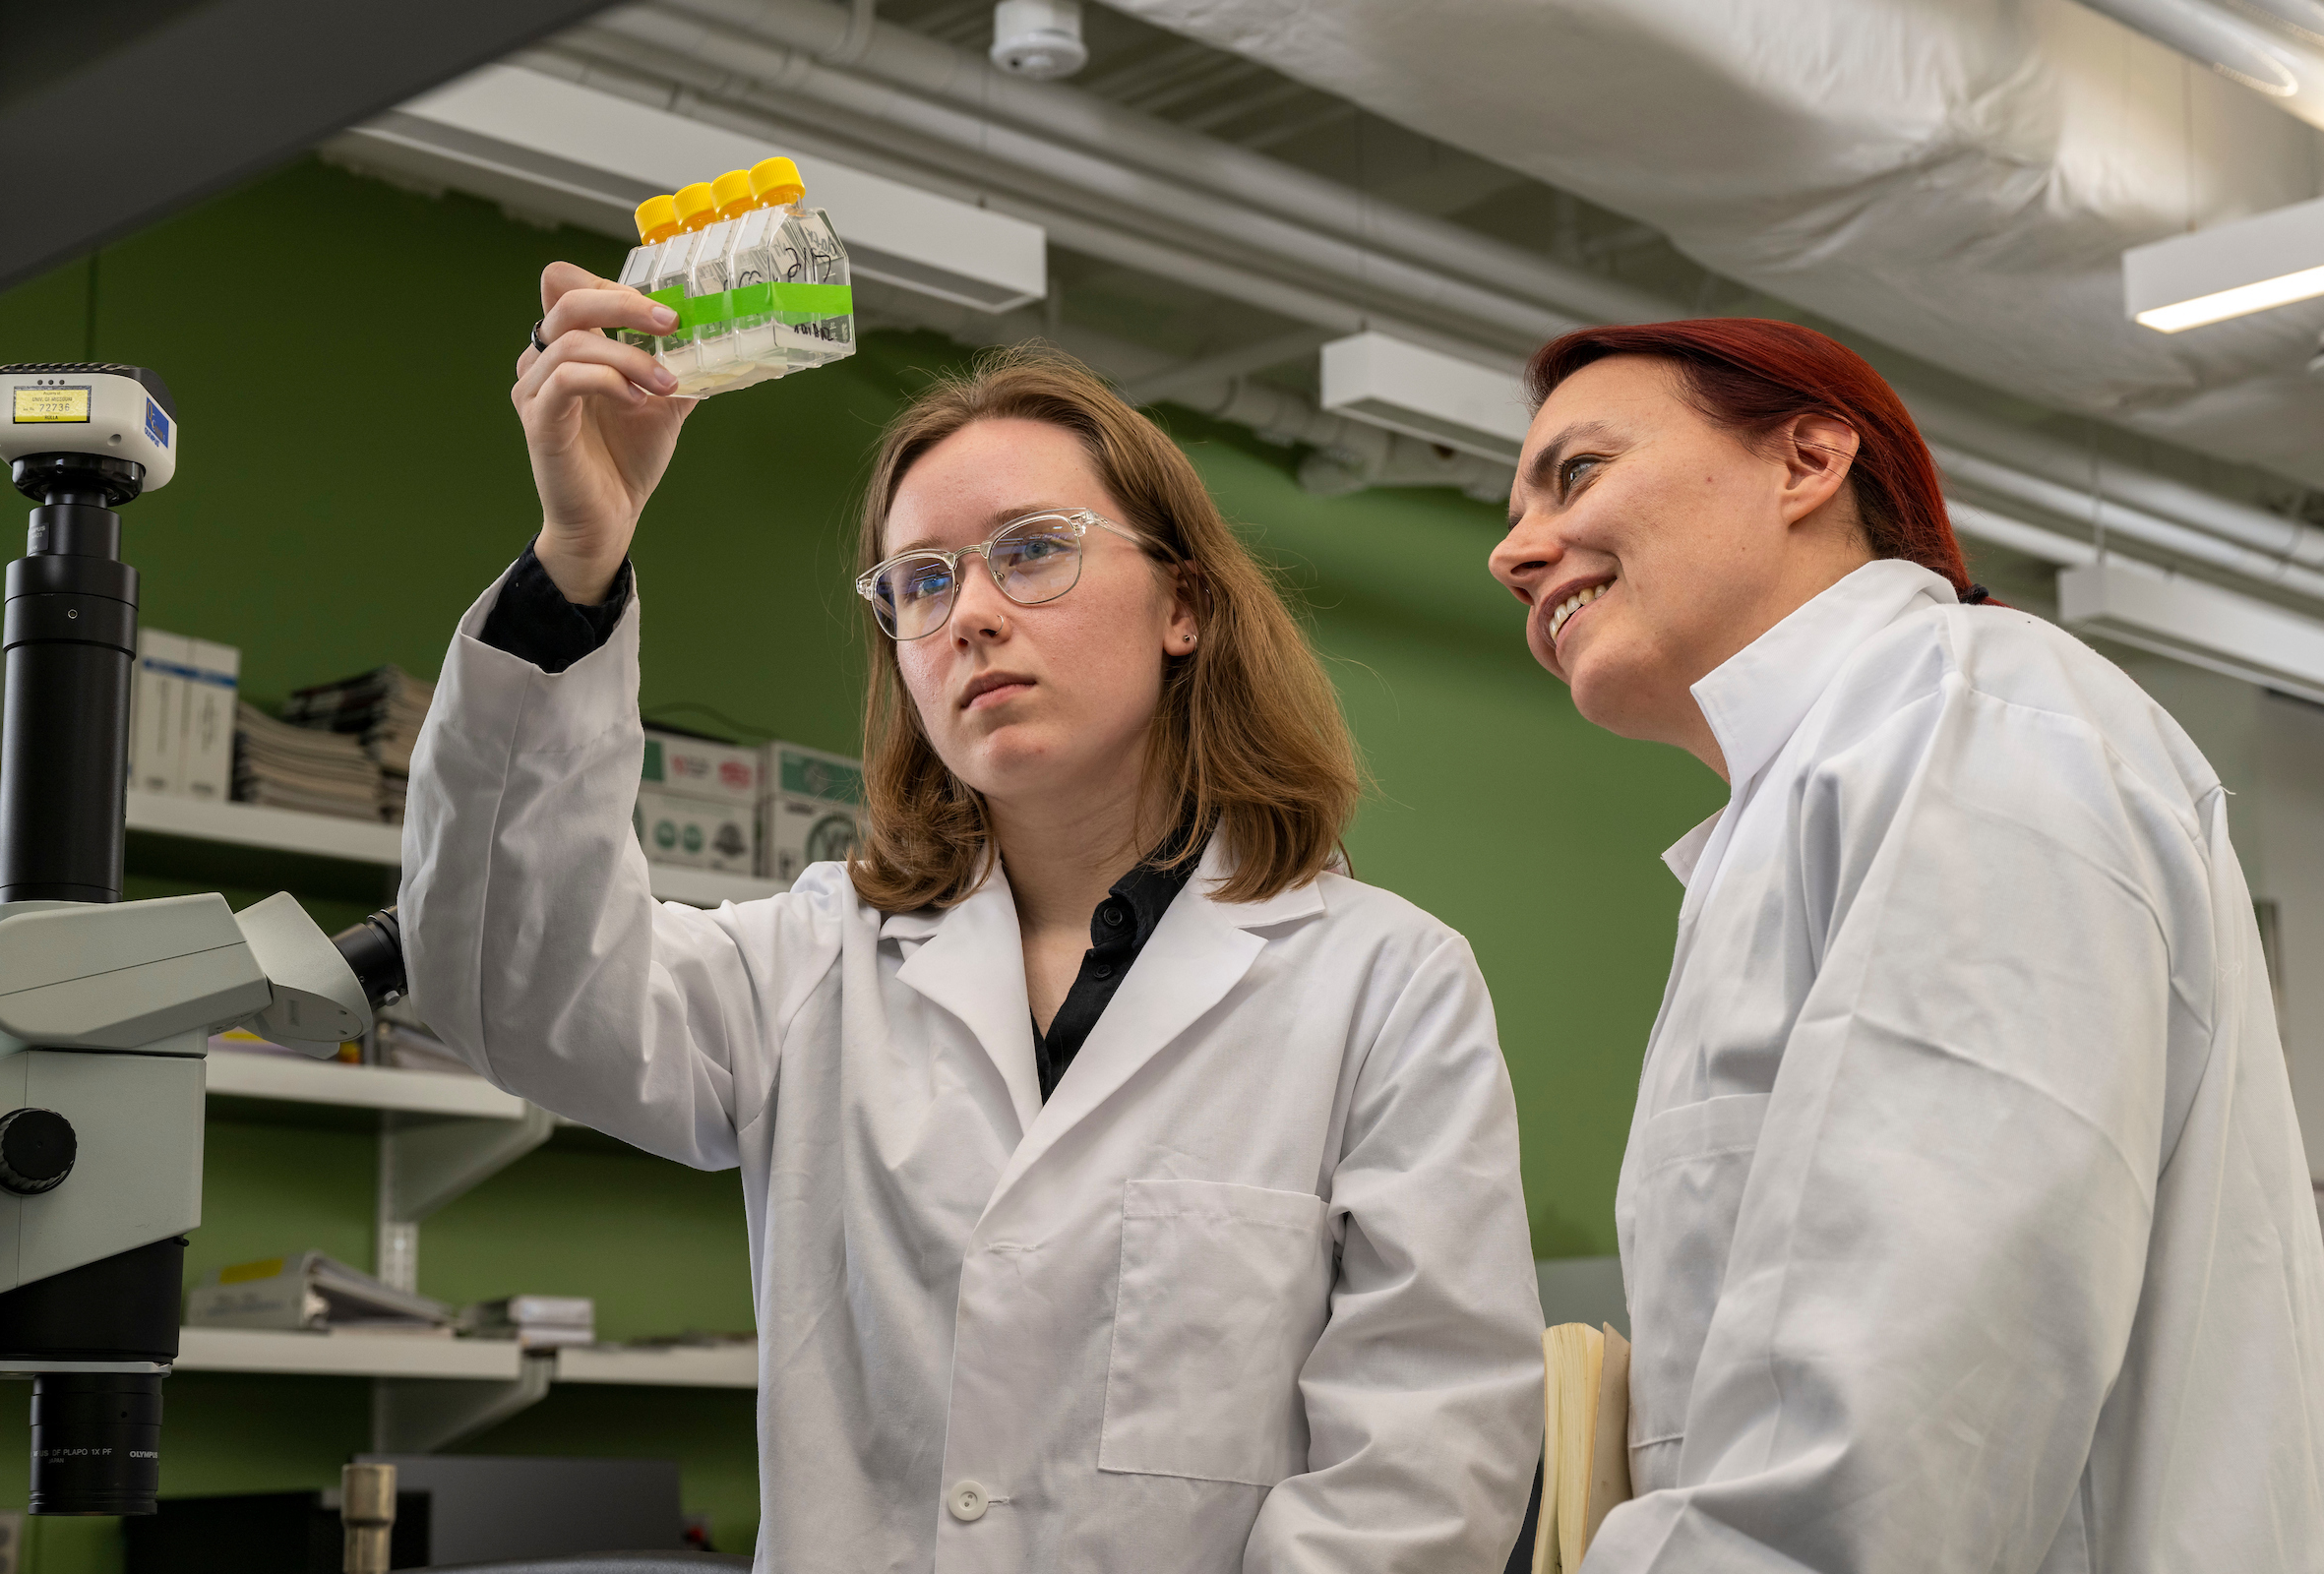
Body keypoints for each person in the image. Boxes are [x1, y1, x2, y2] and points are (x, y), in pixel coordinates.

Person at [399, 263, 1546, 1572]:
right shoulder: (814, 964)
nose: (973, 616)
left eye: (1033, 551)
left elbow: (1424, 1456)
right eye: (921, 582)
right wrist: (579, 556)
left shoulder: (1381, 984)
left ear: (1185, 604)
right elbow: (511, 993)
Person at [1487, 317, 2324, 1572]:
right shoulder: (1832, 783)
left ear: (1809, 459)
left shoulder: (1957, 720)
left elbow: (1911, 1410)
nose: (1511, 550)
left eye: (1578, 470)